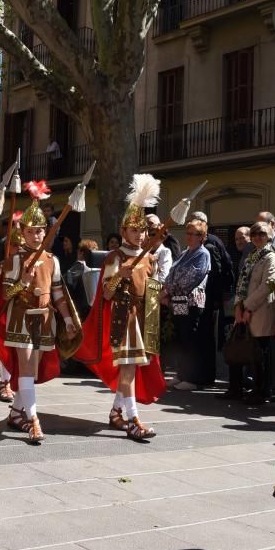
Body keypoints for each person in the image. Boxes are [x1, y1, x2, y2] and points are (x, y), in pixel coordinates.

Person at [0, 180, 80, 443]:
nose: (37, 236)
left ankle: (17, 412)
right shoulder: (16, 261)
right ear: (23, 232)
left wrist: (67, 320)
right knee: (27, 368)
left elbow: (58, 294)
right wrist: (22, 283)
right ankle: (33, 420)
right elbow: (5, 294)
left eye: (41, 231)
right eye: (32, 232)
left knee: (33, 370)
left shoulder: (53, 260)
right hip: (20, 321)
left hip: (45, 320)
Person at [76, 175, 166, 440]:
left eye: (143, 231)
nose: (139, 235)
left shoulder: (150, 258)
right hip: (122, 319)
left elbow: (151, 292)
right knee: (127, 369)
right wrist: (119, 275)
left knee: (133, 369)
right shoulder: (115, 258)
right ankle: (133, 419)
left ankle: (116, 413)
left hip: (141, 320)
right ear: (124, 230)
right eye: (134, 230)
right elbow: (104, 292)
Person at [231, 221, 275, 405]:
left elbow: (267, 286)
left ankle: (262, 391)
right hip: (246, 310)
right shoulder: (251, 256)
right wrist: (238, 306)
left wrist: (248, 307)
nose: (258, 237)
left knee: (261, 354)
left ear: (268, 235)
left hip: (261, 311)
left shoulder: (272, 258)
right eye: (254, 234)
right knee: (247, 353)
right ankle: (245, 389)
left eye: (262, 234)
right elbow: (241, 282)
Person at [185, 210, 234, 390]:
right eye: (188, 230)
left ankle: (201, 377)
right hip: (192, 302)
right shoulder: (189, 250)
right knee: (191, 336)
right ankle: (188, 375)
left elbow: (214, 275)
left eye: (196, 230)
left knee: (203, 337)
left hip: (205, 301)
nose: (190, 234)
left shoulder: (209, 247)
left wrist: (213, 300)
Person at [162, 219, 210, 390]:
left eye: (194, 234)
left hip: (191, 302)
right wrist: (166, 289)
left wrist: (169, 290)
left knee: (190, 338)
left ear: (202, 236)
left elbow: (191, 278)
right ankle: (181, 374)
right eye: (188, 233)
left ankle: (192, 378)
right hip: (178, 301)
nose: (189, 236)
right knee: (181, 338)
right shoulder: (184, 253)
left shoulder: (203, 254)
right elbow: (171, 274)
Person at [145, 214, 172, 283]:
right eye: (146, 233)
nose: (149, 238)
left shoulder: (164, 252)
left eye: (153, 234)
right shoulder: (140, 250)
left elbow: (162, 279)